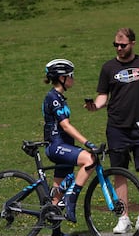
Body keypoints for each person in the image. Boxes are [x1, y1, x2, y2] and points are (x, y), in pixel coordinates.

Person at [85, 28, 139, 233]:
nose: (119, 48)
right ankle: (123, 218)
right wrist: (95, 106)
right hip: (116, 128)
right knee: (120, 173)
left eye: (123, 45)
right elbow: (102, 96)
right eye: (116, 45)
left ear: (133, 43)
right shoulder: (108, 68)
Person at [42, 59, 97, 236]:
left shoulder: (59, 97)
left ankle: (55, 232)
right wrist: (87, 143)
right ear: (62, 78)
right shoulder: (53, 98)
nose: (73, 79)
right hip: (57, 146)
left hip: (63, 146)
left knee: (56, 194)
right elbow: (65, 126)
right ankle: (72, 199)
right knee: (89, 159)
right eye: (71, 75)